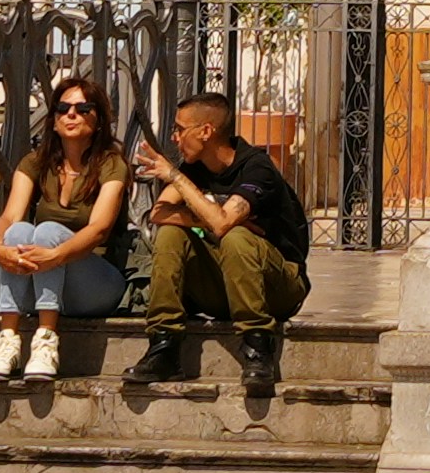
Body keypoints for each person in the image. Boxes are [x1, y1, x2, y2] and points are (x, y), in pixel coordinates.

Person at [126, 87, 311, 400]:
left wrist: (177, 178)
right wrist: (204, 217)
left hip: (278, 289)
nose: (174, 137)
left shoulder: (257, 168)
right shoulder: (195, 168)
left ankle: (257, 348)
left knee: (236, 236)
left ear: (206, 131)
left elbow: (224, 224)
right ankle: (163, 345)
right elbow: (159, 213)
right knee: (171, 234)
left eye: (180, 129)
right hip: (225, 287)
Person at [0, 76, 130, 385]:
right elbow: (9, 216)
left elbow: (99, 229)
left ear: (99, 120)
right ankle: (8, 340)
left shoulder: (112, 164)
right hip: (49, 282)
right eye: (63, 108)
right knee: (18, 232)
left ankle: (46, 340)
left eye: (83, 108)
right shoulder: (35, 162)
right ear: (54, 120)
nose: (71, 114)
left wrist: (56, 255)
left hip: (97, 284)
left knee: (47, 230)